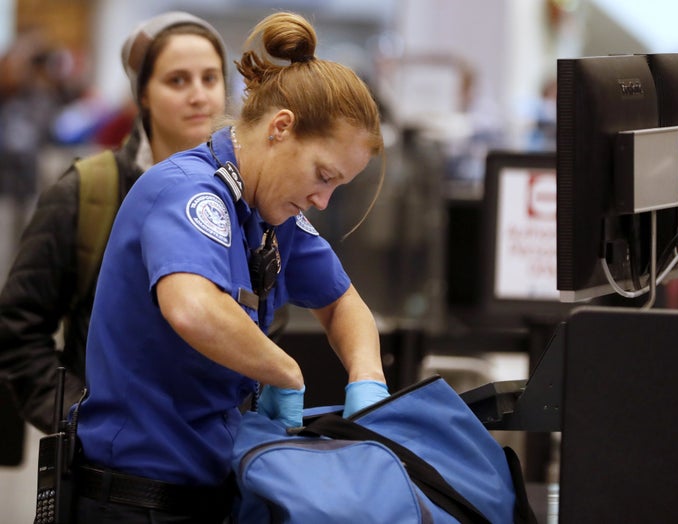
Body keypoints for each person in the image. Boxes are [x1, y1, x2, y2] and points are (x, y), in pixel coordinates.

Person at [73, 11, 389, 524]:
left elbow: (342, 303)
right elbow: (193, 309)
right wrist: (284, 372)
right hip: (135, 501)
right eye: (323, 175)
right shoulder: (185, 191)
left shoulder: (269, 212)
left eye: (338, 187)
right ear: (281, 128)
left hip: (212, 490)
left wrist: (368, 382)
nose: (324, 200)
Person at [0, 11, 228, 434]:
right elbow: (18, 328)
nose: (199, 96)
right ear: (143, 94)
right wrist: (79, 420)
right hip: (108, 476)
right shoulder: (89, 191)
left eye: (210, 79)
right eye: (178, 80)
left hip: (214, 464)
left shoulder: (244, 198)